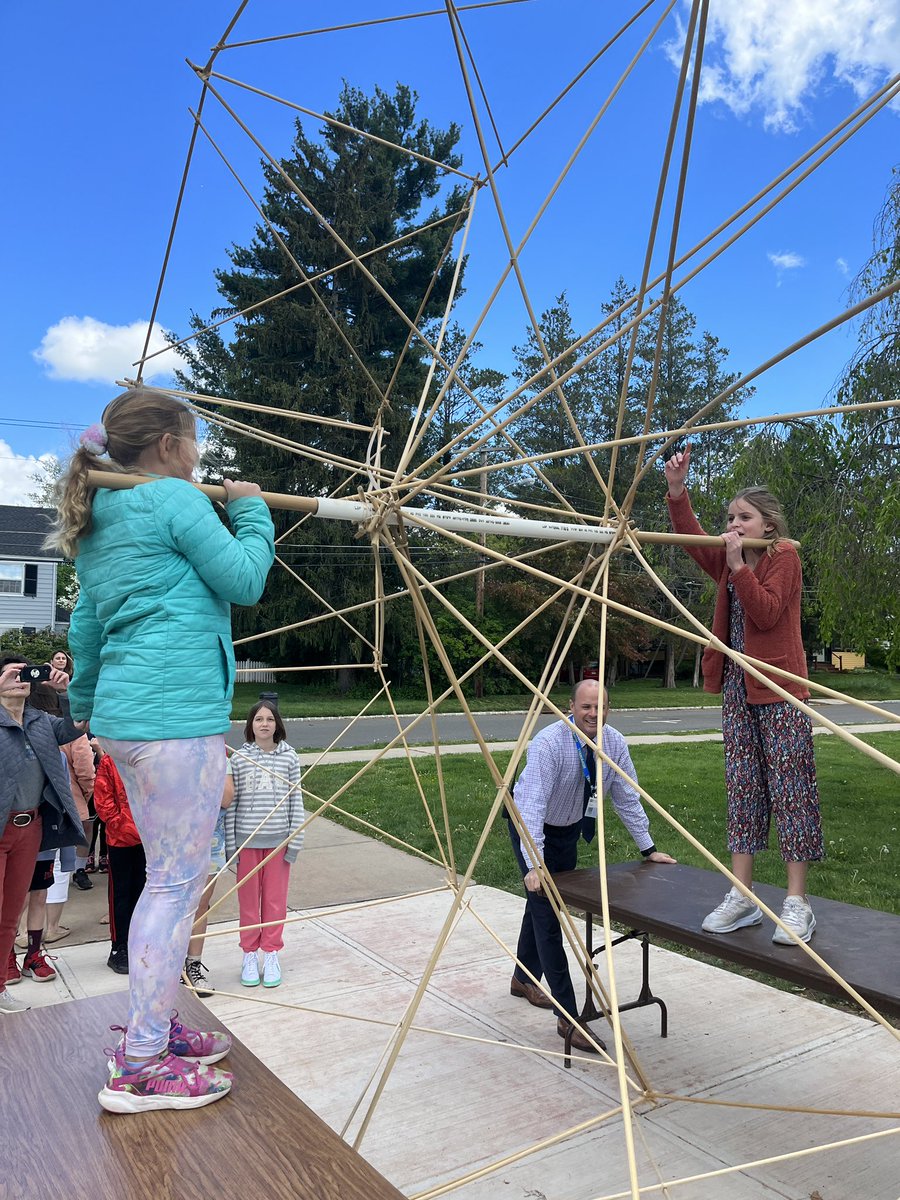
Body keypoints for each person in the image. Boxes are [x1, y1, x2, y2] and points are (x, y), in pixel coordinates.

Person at [50, 386, 274, 1111]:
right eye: (196, 440)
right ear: (172, 446)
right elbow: (244, 578)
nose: (200, 453)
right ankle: (141, 1063)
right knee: (175, 886)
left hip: (126, 718)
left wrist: (85, 714)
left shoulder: (104, 515)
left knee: (164, 881)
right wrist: (249, 507)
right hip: (175, 718)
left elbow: (86, 626)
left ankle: (156, 1025)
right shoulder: (174, 498)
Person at [664, 444, 824, 945]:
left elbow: (768, 614)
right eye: (729, 517)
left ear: (768, 525)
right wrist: (677, 491)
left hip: (779, 690)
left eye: (744, 517)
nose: (733, 524)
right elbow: (691, 538)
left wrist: (738, 568)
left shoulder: (784, 558)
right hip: (737, 690)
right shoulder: (730, 560)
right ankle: (743, 895)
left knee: (791, 790)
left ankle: (797, 903)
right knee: (743, 788)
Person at [508, 679, 676, 1054]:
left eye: (600, 707)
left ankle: (522, 977)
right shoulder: (550, 743)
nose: (593, 714)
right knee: (548, 914)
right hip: (531, 826)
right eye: (586, 706)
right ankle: (569, 1020)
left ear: (609, 709)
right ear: (571, 706)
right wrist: (534, 863)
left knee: (543, 905)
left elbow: (627, 796)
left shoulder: (613, 743)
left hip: (567, 830)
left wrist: (648, 848)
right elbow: (532, 805)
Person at [0, 656, 86, 1014]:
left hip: (31, 828)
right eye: (11, 672)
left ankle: (0, 988)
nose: (21, 677)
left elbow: (76, 727)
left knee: (9, 915)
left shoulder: (40, 721)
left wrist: (66, 693)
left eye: (25, 672)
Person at [226, 702, 303, 989]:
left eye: (270, 719)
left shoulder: (289, 758)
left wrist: (294, 842)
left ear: (277, 724)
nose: (264, 724)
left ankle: (270, 954)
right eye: (258, 718)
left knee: (274, 902)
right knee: (248, 903)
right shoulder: (239, 759)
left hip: (278, 843)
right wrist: (232, 848)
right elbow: (232, 805)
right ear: (250, 725)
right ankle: (249, 954)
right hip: (247, 843)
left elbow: (297, 802)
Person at [182, 755, 234, 996]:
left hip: (211, 844)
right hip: (177, 842)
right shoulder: (175, 755)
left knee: (201, 904)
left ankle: (193, 965)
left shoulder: (220, 760)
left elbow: (226, 798)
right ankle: (170, 966)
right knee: (173, 905)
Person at [93, 751, 145, 975]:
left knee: (144, 892)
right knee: (120, 895)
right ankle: (119, 947)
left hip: (148, 837)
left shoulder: (148, 758)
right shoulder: (109, 760)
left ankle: (140, 942)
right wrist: (120, 824)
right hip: (120, 839)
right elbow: (103, 800)